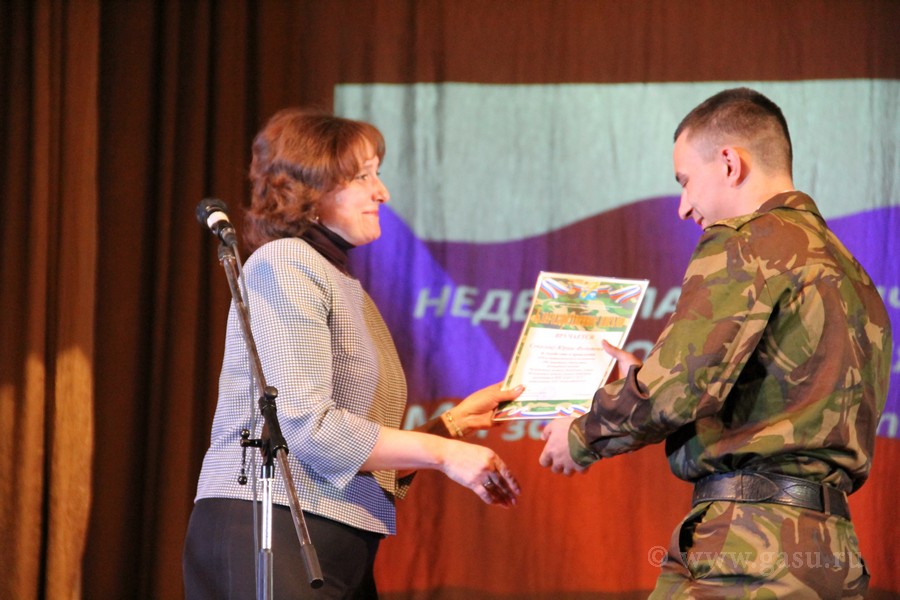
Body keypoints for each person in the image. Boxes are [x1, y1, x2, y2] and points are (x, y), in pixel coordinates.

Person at [539, 88, 892, 598]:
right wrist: (648, 373)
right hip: (832, 556)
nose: (684, 207)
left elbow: (678, 390)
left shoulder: (746, 241)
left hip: (748, 553)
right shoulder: (852, 273)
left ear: (729, 162)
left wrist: (581, 434)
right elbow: (781, 403)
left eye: (685, 181)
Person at [183, 108, 525, 599]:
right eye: (363, 176)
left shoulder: (340, 281)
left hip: (331, 537)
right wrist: (445, 454)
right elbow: (308, 428)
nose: (382, 192)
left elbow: (350, 451)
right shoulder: (284, 262)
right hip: (272, 528)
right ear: (312, 189)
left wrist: (449, 427)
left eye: (376, 175)